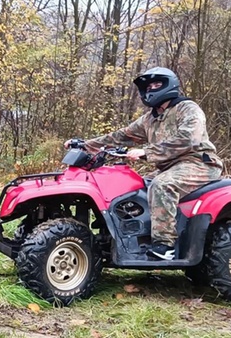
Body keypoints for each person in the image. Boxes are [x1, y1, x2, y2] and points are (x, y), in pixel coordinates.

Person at [66, 67, 223, 260]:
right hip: (171, 167)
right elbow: (122, 135)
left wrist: (146, 152)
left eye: (157, 85)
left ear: (169, 85)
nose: (151, 89)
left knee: (161, 186)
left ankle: (165, 246)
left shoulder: (187, 109)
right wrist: (86, 145)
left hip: (199, 163)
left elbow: (188, 138)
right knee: (133, 189)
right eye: (149, 86)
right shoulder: (150, 118)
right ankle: (132, 234)